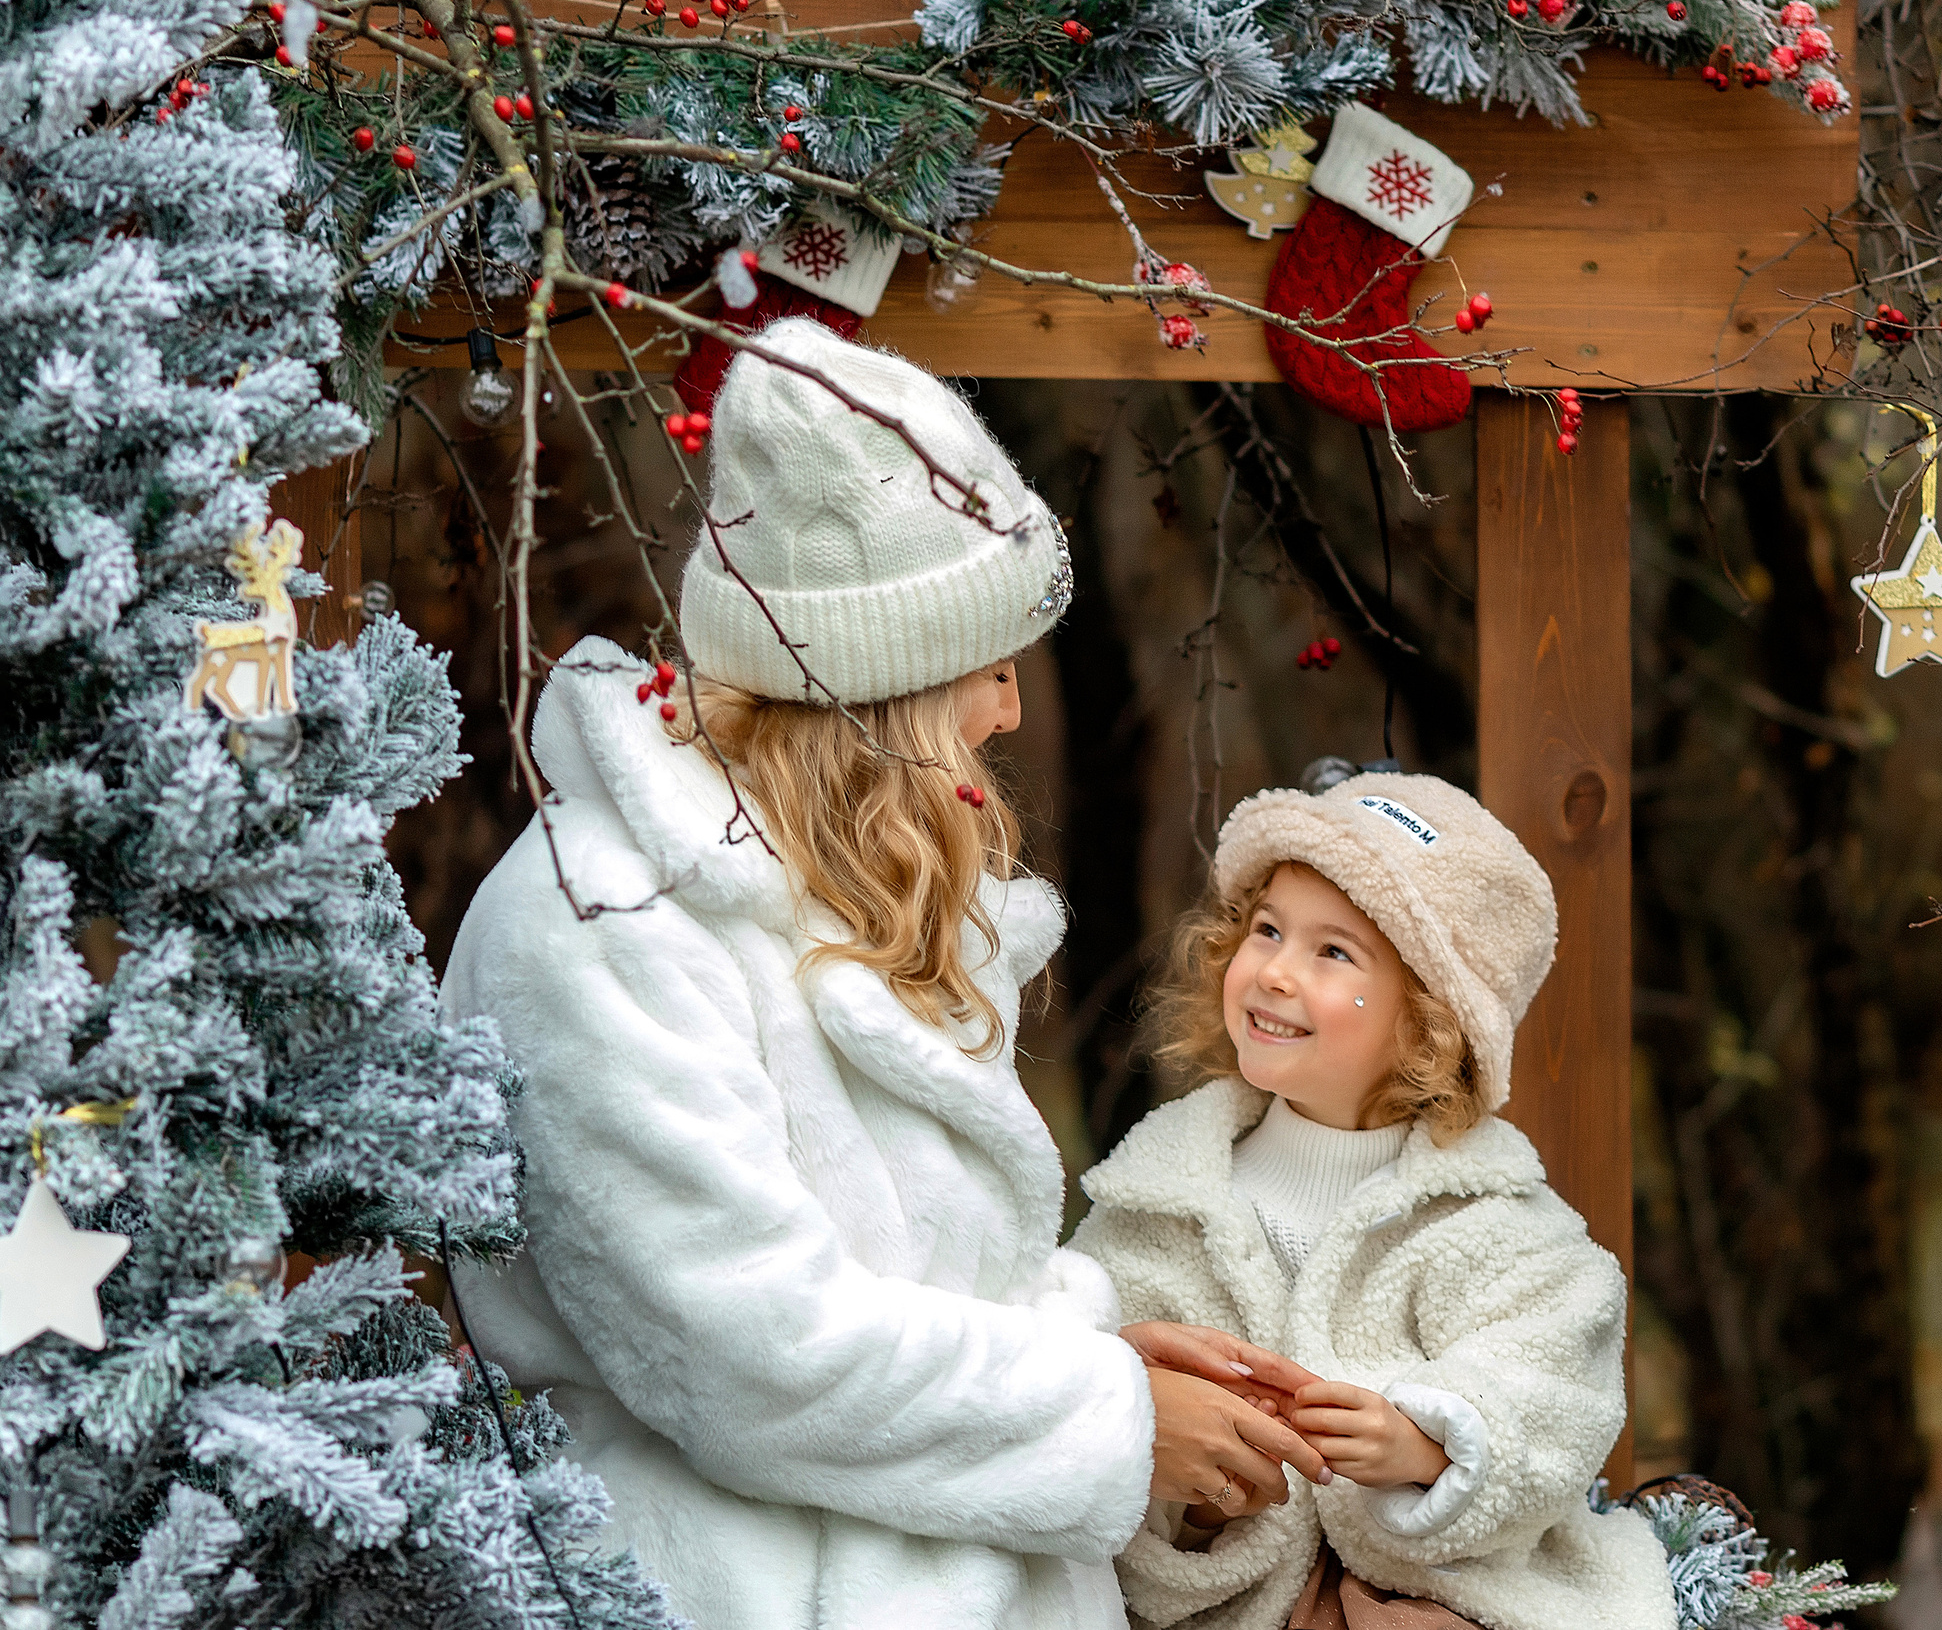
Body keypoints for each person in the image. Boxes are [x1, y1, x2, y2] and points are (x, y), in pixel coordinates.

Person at [443, 317, 1325, 1630]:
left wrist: (1097, 1353)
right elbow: (748, 1350)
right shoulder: (603, 920)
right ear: (877, 685)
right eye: (985, 665)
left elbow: (923, 1283)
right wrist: (1109, 1418)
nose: (1012, 709)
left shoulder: (853, 887)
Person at [1068, 772, 1678, 1630]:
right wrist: (1201, 1505)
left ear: (1427, 1016)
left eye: (1333, 952)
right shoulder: (1155, 1202)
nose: (1277, 971)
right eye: (1268, 929)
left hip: (1440, 1597)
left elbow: (1555, 1385)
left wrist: (1425, 1445)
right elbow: (1086, 1399)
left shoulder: (1493, 1220)